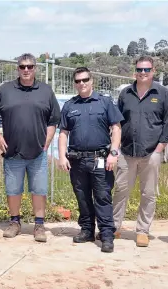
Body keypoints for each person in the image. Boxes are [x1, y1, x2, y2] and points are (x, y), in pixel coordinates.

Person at [0, 53, 61, 243]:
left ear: (35, 68)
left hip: (38, 153)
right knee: (13, 190)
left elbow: (54, 120)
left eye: (30, 67)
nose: (26, 70)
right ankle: (14, 223)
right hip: (13, 153)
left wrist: (48, 140)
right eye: (22, 67)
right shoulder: (5, 90)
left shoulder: (45, 91)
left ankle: (39, 225)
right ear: (17, 69)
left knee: (39, 190)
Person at [112, 56, 168, 247]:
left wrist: (159, 149)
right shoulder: (125, 94)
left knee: (148, 194)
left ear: (153, 71)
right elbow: (118, 122)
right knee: (120, 191)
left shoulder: (163, 94)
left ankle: (142, 231)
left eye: (147, 70)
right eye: (140, 69)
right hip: (126, 152)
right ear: (135, 71)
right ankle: (114, 227)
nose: (143, 73)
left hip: (151, 153)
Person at [58, 67, 123, 253]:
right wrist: (62, 156)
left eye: (85, 79)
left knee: (102, 197)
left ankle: (106, 235)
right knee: (82, 198)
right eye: (78, 81)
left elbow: (117, 128)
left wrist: (114, 153)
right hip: (77, 161)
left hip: (101, 159)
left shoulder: (104, 102)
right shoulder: (70, 105)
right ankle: (87, 230)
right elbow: (63, 133)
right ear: (74, 83)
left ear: (91, 80)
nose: (82, 84)